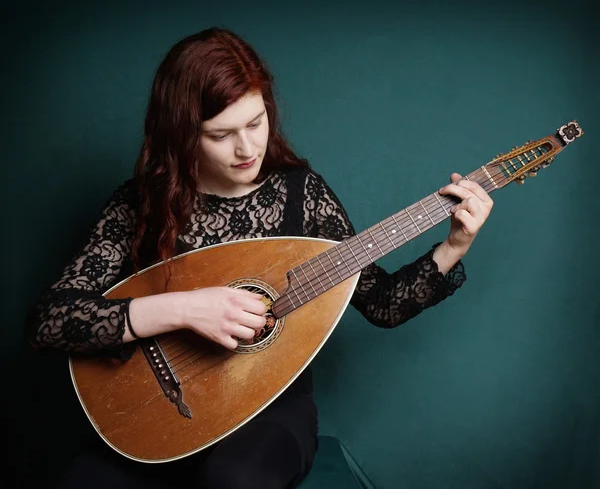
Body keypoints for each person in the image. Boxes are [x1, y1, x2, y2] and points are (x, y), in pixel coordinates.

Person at [27, 26, 493, 489]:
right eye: (221, 134)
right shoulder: (140, 204)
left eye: (255, 123)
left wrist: (454, 245)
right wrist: (187, 309)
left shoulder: (301, 194)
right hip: (153, 412)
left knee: (237, 479)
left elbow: (382, 305)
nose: (247, 148)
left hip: (269, 413)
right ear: (181, 132)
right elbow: (48, 322)